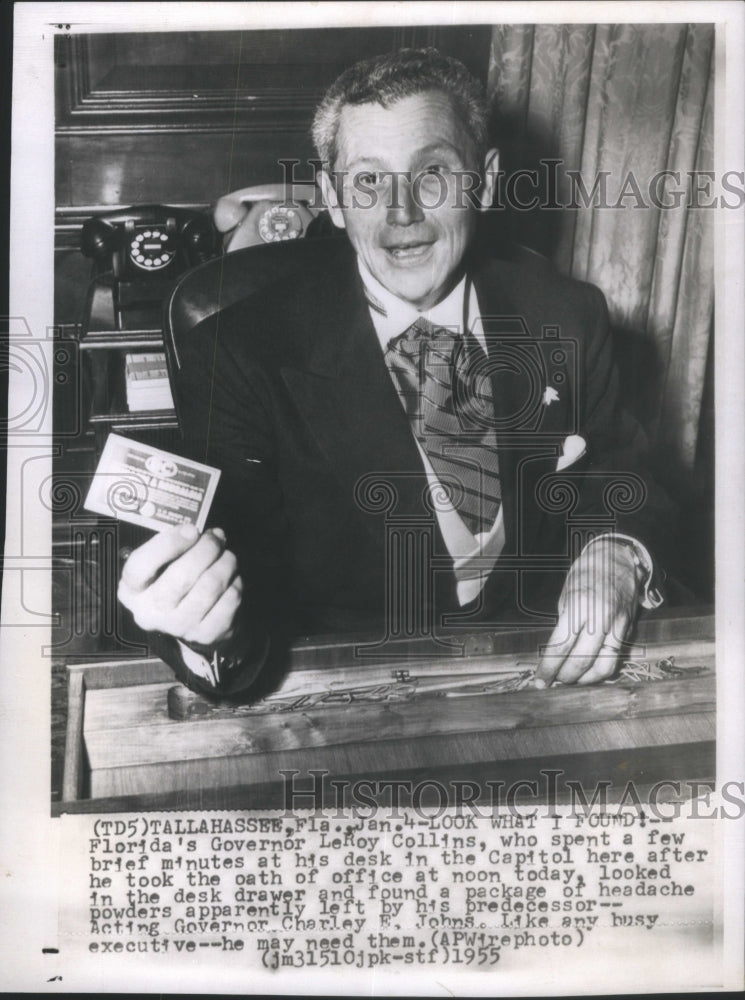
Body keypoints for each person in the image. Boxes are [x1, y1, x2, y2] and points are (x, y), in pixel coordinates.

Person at [117, 48, 672, 699]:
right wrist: (203, 630)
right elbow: (237, 576)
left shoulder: (565, 313)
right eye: (367, 181)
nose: (400, 210)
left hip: (546, 665)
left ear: (486, 181)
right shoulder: (238, 352)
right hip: (346, 685)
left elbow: (621, 470)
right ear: (329, 197)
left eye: (431, 171)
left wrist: (617, 550)